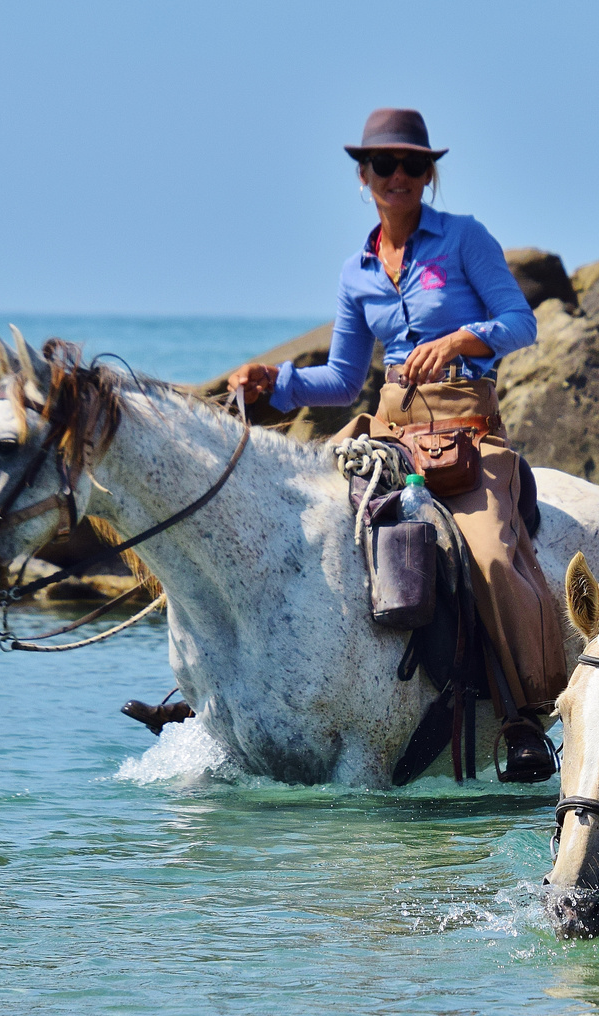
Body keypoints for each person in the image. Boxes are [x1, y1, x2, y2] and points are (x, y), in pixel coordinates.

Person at [228, 108, 562, 782]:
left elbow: (520, 323)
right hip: (384, 434)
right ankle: (243, 690)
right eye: (385, 165)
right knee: (294, 532)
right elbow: (345, 378)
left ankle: (525, 716)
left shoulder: (464, 239)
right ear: (363, 175)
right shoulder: (356, 272)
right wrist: (277, 383)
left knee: (492, 554)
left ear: (429, 173)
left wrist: (461, 340)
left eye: (412, 164)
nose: (399, 175)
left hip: (464, 434)